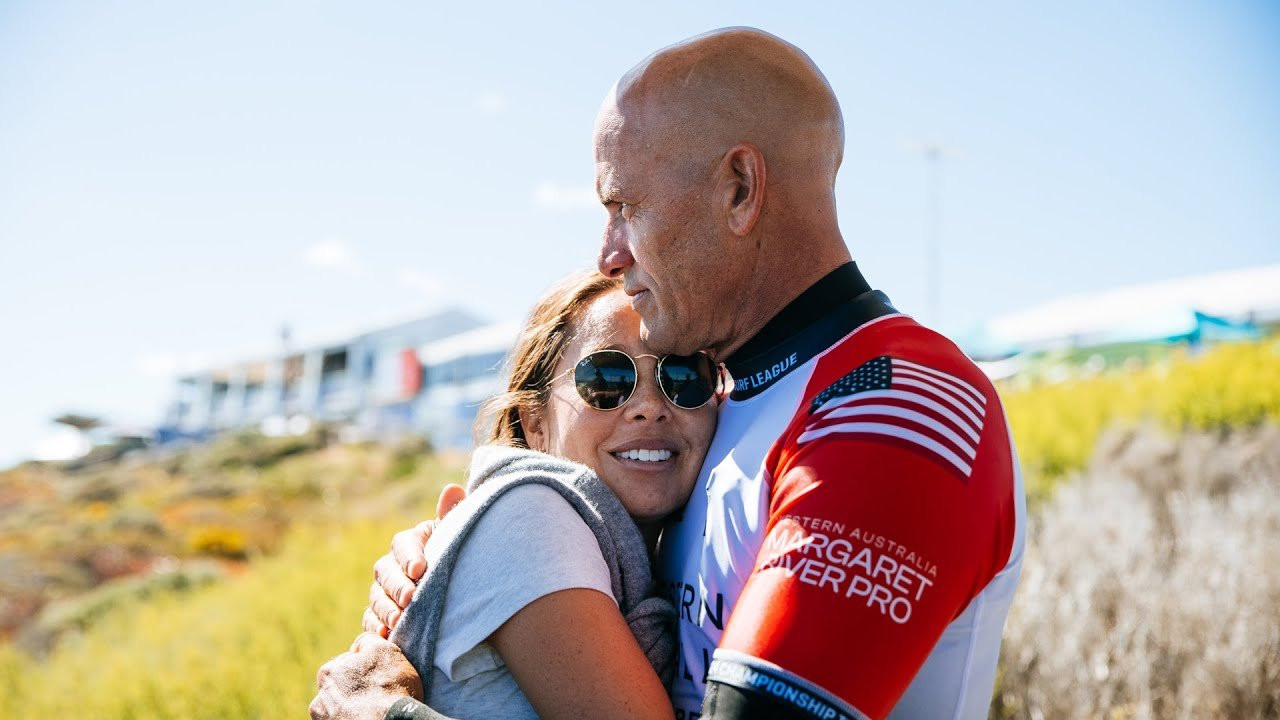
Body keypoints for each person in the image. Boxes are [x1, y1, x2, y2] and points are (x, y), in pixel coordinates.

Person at [315, 26, 1025, 720]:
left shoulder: (896, 400)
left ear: (741, 188)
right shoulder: (726, 402)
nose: (607, 254)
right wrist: (452, 556)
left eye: (625, 207)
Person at [310, 270, 719, 720]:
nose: (650, 406)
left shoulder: (638, 551)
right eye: (607, 378)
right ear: (535, 424)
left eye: (683, 376)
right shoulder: (531, 516)